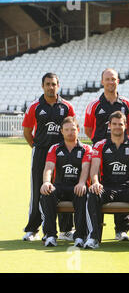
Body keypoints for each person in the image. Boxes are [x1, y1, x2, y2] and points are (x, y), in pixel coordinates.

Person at [84, 68, 129, 242]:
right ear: (102, 82)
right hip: (100, 151)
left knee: (123, 181)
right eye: (107, 79)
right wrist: (101, 143)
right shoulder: (94, 105)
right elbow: (88, 129)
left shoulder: (127, 104)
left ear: (118, 81)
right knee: (98, 186)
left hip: (122, 149)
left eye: (113, 79)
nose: (110, 82)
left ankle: (121, 230)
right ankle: (94, 229)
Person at [84, 111, 129, 249]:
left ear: (125, 125)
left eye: (120, 124)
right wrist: (95, 182)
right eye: (114, 124)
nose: (117, 127)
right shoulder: (100, 145)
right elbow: (94, 169)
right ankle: (93, 237)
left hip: (127, 188)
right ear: (109, 126)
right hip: (106, 188)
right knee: (93, 193)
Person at [22, 72, 75, 241]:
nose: (51, 87)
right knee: (38, 189)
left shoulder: (66, 107)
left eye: (53, 84)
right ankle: (33, 229)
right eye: (47, 84)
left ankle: (66, 230)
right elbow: (27, 131)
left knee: (63, 188)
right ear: (42, 86)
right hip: (41, 152)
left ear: (58, 86)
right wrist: (38, 147)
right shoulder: (35, 106)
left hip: (62, 153)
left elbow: (71, 128)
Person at [39, 117, 91, 247]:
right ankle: (50, 235)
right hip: (60, 186)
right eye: (66, 130)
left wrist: (81, 183)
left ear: (78, 130)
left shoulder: (86, 148)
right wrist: (46, 182)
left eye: (73, 129)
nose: (70, 132)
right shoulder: (55, 148)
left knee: (82, 194)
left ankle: (79, 236)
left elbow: (85, 168)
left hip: (76, 186)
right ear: (61, 131)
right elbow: (49, 168)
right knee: (47, 193)